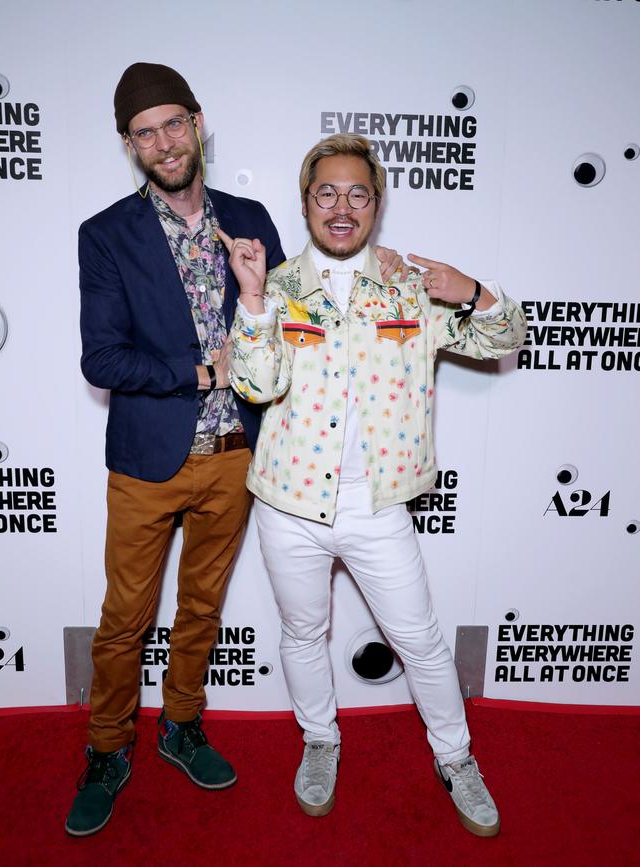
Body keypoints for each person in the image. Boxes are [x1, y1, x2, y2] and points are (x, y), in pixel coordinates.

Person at [67, 66, 403, 838]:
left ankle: (181, 724)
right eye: (144, 133)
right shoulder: (106, 234)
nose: (163, 143)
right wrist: (198, 369)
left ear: (197, 122)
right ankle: (106, 746)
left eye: (173, 125)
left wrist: (375, 274)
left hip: (236, 456)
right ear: (129, 145)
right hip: (147, 459)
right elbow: (102, 360)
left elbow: (296, 316)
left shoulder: (250, 217)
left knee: (202, 607)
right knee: (125, 618)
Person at [223, 133, 527, 837]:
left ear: (376, 205)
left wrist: (475, 292)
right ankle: (320, 739)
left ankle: (455, 758)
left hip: (377, 503)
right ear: (306, 203)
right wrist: (253, 299)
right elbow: (255, 383)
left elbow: (502, 339)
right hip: (288, 501)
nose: (341, 206)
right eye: (326, 192)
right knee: (304, 631)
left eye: (357, 193)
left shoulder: (409, 285)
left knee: (419, 639)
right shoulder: (278, 287)